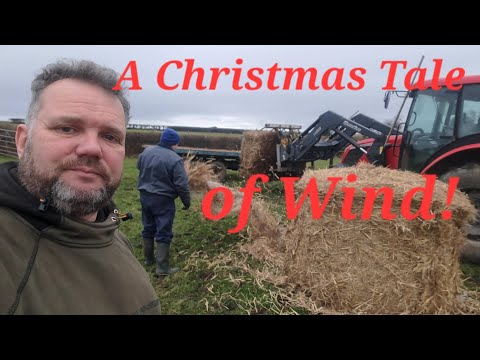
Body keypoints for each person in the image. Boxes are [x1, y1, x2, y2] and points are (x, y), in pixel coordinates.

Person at [0, 59, 161, 315]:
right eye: (67, 128)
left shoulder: (110, 230)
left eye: (110, 136)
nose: (92, 148)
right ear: (22, 142)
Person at [137, 128, 191, 276]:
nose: (177, 147)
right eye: (177, 144)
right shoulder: (174, 159)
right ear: (173, 143)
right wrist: (186, 202)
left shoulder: (146, 152)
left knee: (148, 227)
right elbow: (182, 185)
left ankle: (148, 259)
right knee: (164, 231)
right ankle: (162, 268)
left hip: (144, 196)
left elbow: (139, 167)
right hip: (163, 200)